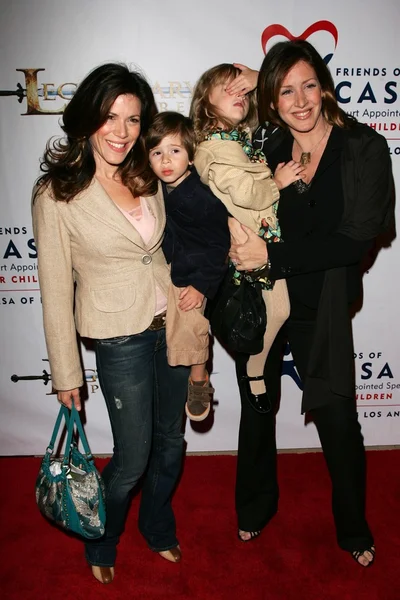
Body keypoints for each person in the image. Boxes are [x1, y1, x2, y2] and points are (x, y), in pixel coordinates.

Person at [227, 40, 393, 565]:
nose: (300, 101)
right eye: (285, 91)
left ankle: (353, 529)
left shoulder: (363, 146)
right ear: (271, 101)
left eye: (309, 85)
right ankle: (254, 509)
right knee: (258, 409)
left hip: (321, 302)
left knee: (338, 417)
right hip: (263, 300)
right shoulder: (267, 148)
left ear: (324, 86)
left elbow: (357, 237)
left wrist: (272, 255)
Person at [32, 63, 190, 585]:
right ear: (88, 119)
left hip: (171, 322)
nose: (121, 132)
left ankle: (158, 524)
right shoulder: (56, 193)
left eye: (132, 119)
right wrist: (66, 373)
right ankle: (102, 536)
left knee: (172, 441)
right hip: (118, 335)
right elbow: (55, 287)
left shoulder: (149, 172)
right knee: (132, 456)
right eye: (110, 117)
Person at [190, 64, 303, 414]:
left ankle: (252, 368)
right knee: (274, 309)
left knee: (278, 309)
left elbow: (286, 103)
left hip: (262, 236)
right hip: (248, 239)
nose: (239, 94)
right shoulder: (212, 146)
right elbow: (244, 193)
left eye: (243, 91)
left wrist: (263, 76)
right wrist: (278, 182)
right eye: (227, 89)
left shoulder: (238, 138)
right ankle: (253, 370)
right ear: (205, 100)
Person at [146, 111, 230, 421]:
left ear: (191, 157)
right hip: (174, 267)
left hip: (197, 273)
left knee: (193, 323)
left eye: (175, 151)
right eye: (157, 153)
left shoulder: (200, 196)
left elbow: (220, 244)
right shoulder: (157, 189)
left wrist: (202, 286)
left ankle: (199, 379)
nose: (166, 160)